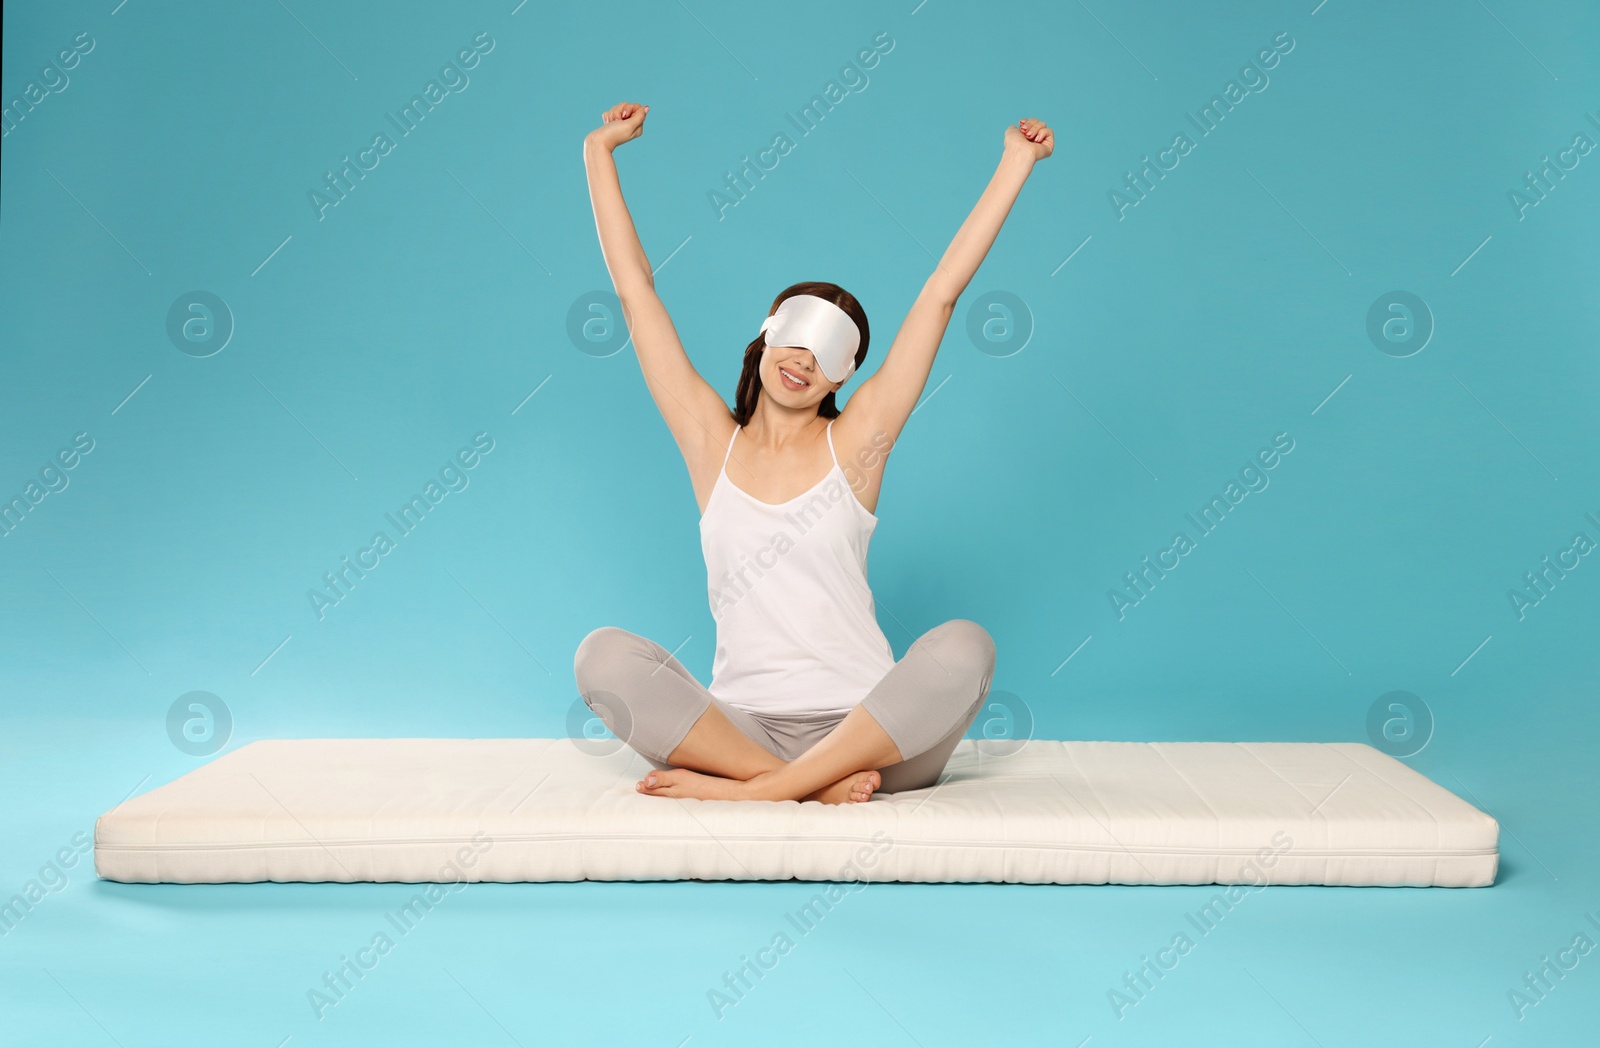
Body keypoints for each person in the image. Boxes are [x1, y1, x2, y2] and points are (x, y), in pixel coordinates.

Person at [575, 100, 1053, 804]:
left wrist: (1017, 162)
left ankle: (759, 792)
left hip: (875, 737)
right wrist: (598, 150)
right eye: (796, 333)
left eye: (832, 351)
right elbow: (635, 291)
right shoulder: (712, 442)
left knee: (966, 645)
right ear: (766, 335)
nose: (804, 359)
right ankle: (795, 785)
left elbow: (941, 294)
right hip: (739, 733)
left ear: (846, 375)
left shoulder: (857, 444)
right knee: (602, 657)